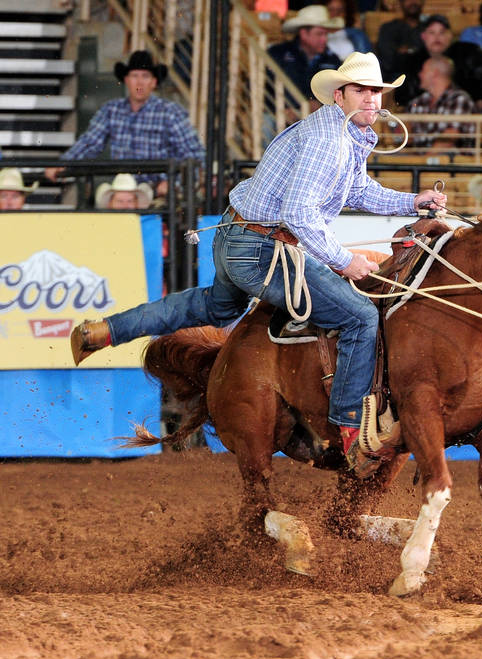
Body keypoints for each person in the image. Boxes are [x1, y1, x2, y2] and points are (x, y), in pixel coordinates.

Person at [69, 52, 447, 464]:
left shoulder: (338, 132)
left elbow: (356, 192)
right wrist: (342, 261)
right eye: (362, 90)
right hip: (262, 247)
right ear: (339, 95)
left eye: (377, 91)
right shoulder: (329, 140)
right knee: (360, 316)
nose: (372, 99)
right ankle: (349, 431)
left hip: (237, 236)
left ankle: (107, 330)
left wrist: (413, 200)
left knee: (213, 306)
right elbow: (299, 213)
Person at [44, 51, 204, 198]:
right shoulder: (111, 110)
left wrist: (173, 183)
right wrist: (63, 163)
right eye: (134, 76)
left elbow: (195, 155)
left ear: (153, 82)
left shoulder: (170, 112)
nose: (139, 82)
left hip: (158, 192)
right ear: (126, 80)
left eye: (145, 76)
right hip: (123, 189)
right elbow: (90, 142)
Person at [394, 14, 482, 109]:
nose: (437, 37)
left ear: (450, 36)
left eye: (442, 32)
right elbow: (402, 95)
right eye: (432, 32)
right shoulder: (412, 61)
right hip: (424, 113)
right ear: (423, 36)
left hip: (466, 111)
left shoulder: (470, 53)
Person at [267, 4, 344, 109]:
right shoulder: (277, 53)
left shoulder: (333, 60)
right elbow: (262, 88)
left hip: (318, 119)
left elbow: (341, 94)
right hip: (279, 115)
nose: (324, 39)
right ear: (304, 34)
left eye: (325, 34)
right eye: (319, 34)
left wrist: (319, 105)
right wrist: (280, 110)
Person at [406, 55, 476, 153]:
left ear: (434, 73)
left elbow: (450, 137)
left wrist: (424, 162)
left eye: (423, 70)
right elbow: (407, 135)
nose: (420, 74)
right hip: (419, 162)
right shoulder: (419, 101)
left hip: (453, 163)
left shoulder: (459, 99)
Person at [374, 0, 425, 83]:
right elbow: (387, 62)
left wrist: (403, 53)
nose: (413, 2)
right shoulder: (388, 29)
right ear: (401, 3)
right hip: (395, 81)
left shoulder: (429, 29)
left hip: (426, 78)